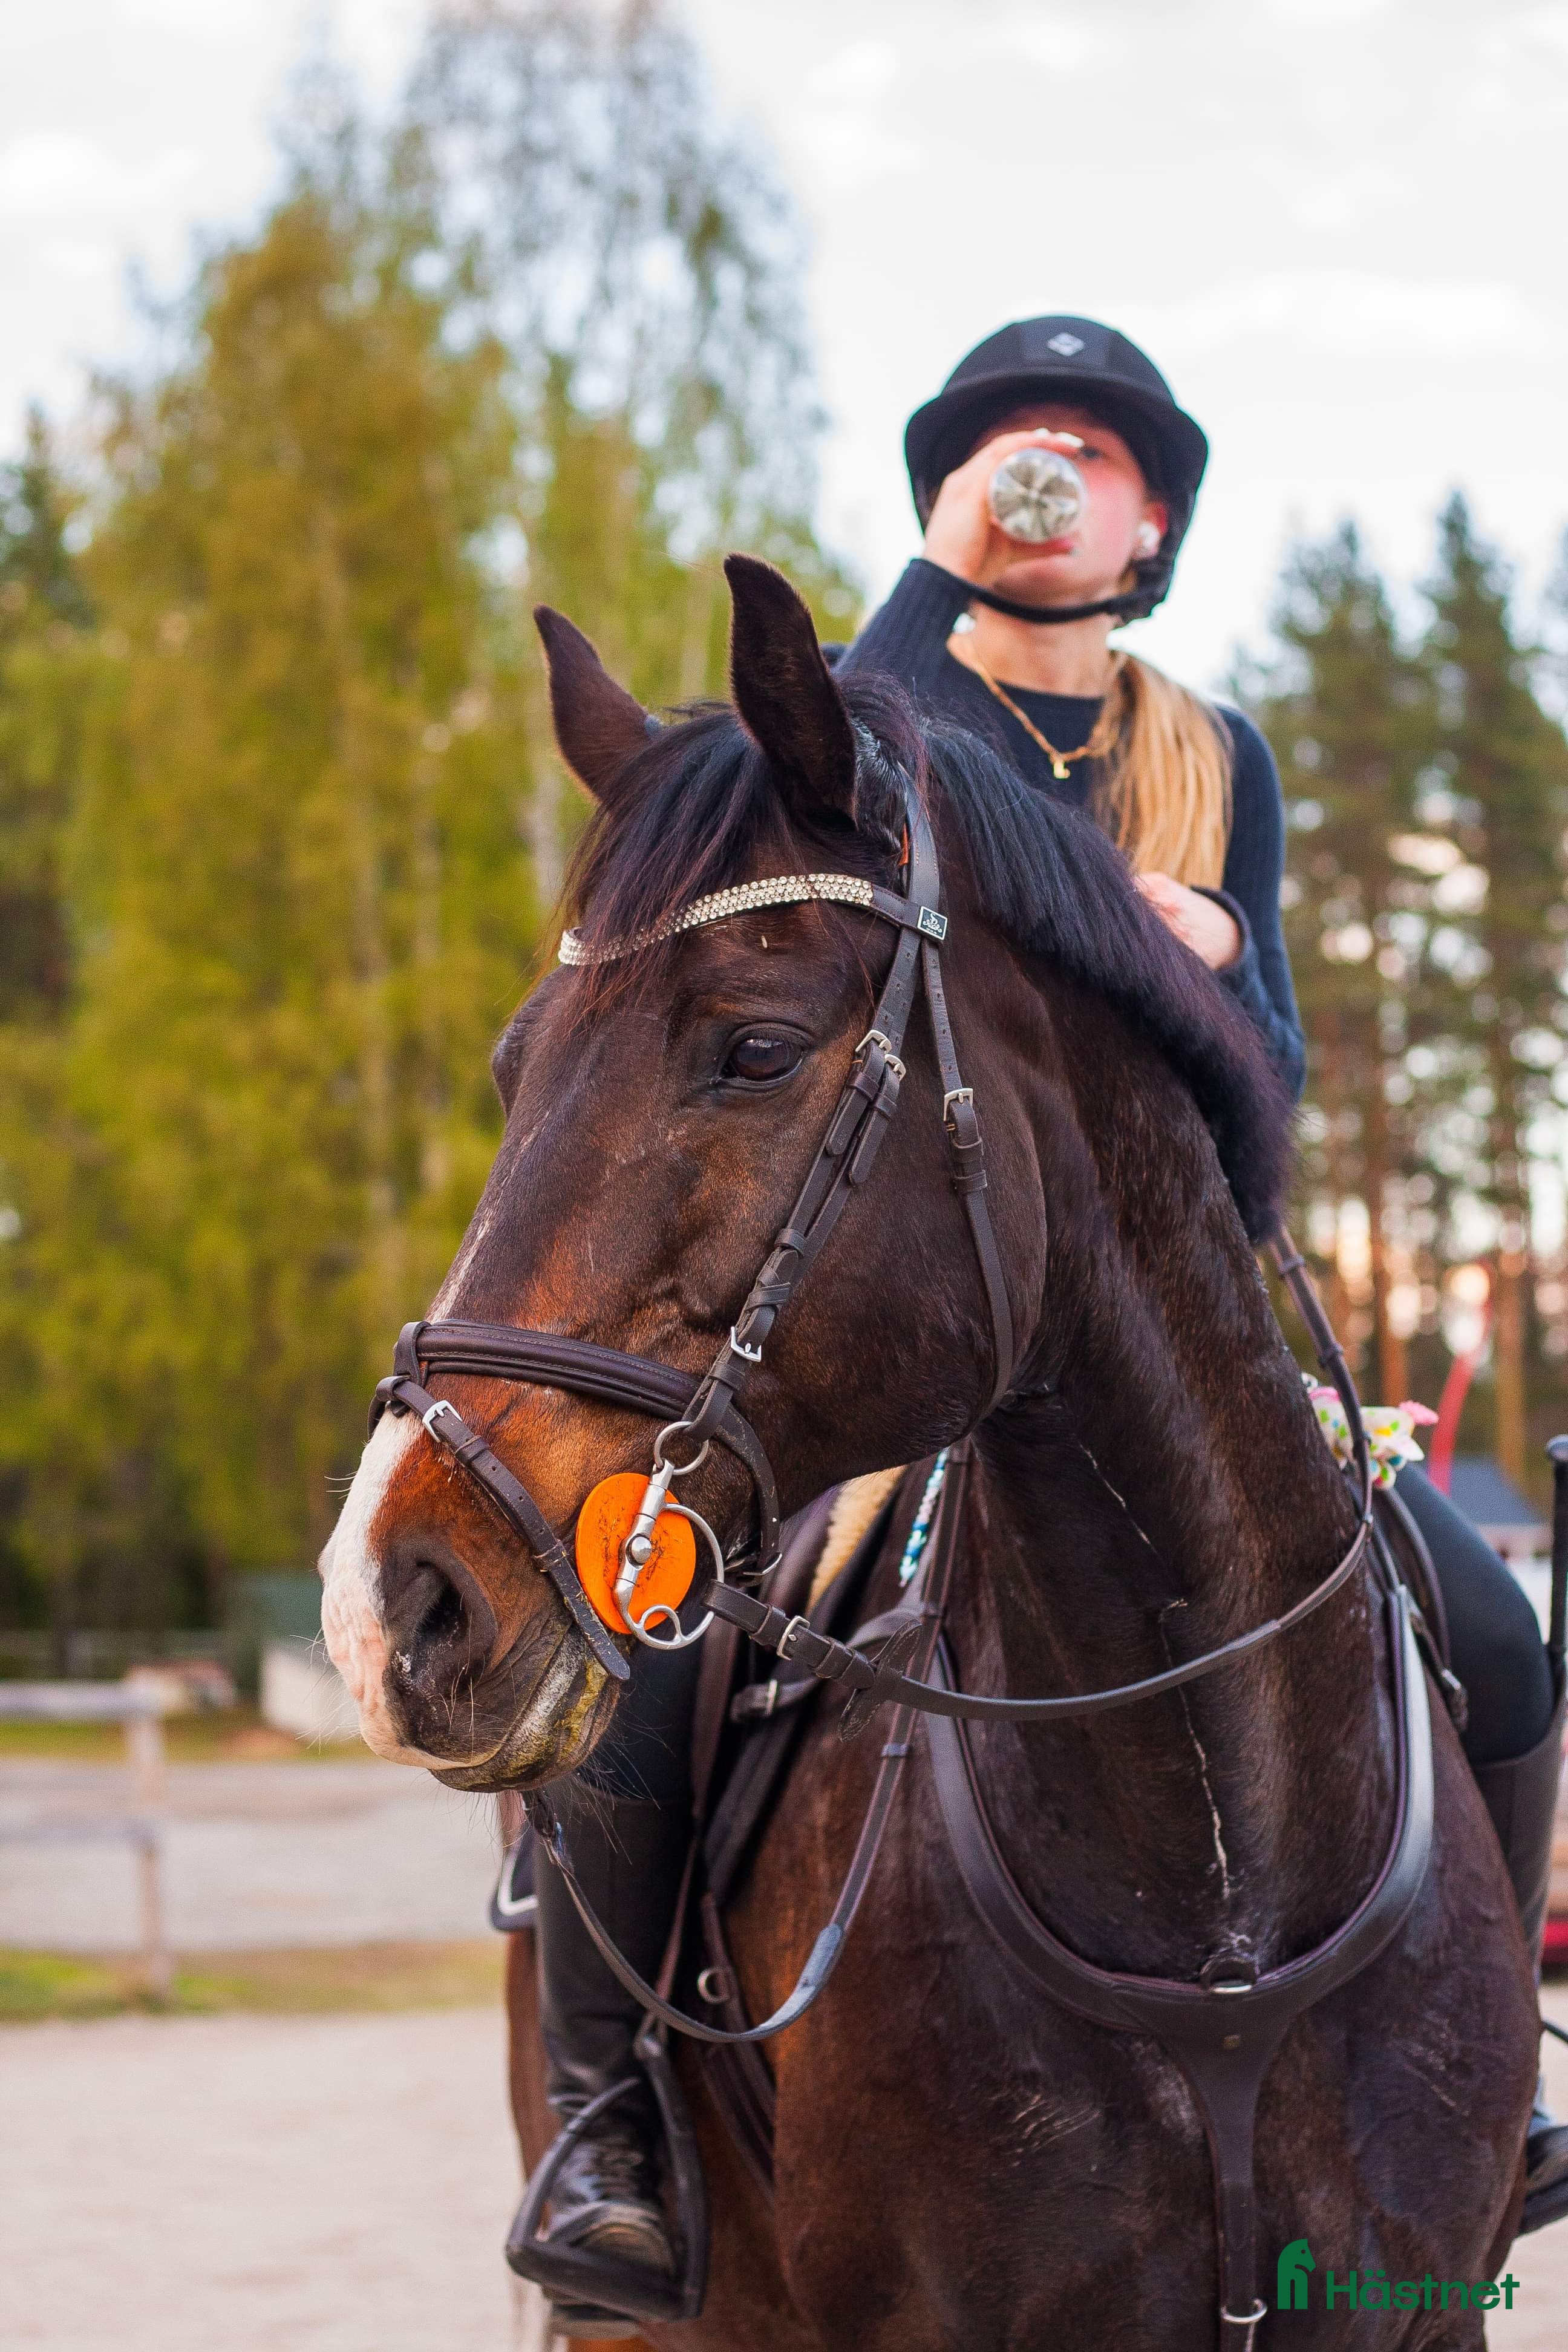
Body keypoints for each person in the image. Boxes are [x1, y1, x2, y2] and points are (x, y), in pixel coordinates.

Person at [526, 321, 1567, 2324]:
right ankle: (610, 2124)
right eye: (1004, 448)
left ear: (1152, 513)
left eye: (1085, 449)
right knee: (673, 1635)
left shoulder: (1215, 758)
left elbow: (1261, 1095)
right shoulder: (884, 719)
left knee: (1498, 1637)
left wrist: (1205, 957)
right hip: (927, 1329)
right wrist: (932, 578)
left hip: (1201, 1340)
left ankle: (1489, 2080)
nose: (1045, 470)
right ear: (950, 497)